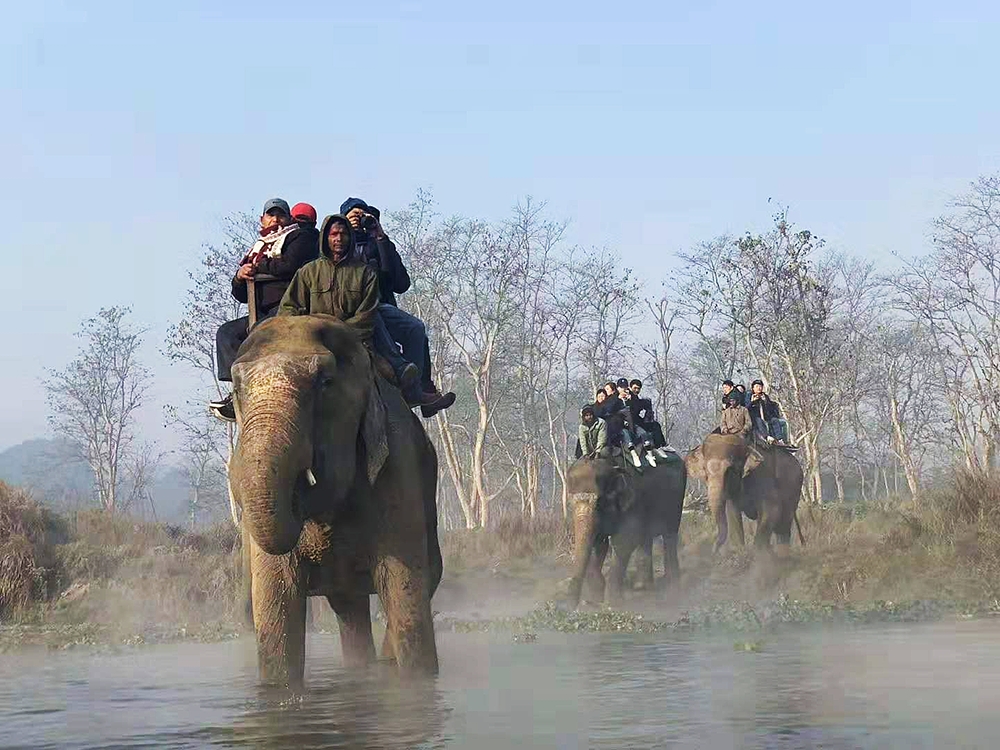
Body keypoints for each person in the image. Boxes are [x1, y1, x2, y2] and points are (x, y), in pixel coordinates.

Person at [340, 197, 454, 418]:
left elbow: (401, 284)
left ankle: (415, 389)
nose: (360, 220)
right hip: (350, 308)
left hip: (381, 306)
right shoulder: (337, 242)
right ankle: (414, 380)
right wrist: (347, 233)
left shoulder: (380, 244)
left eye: (364, 216)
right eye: (355, 215)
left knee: (416, 328)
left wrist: (380, 237)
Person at [210, 198, 320, 422]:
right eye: (271, 215)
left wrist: (258, 267)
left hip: (289, 307)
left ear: (289, 219)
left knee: (259, 333)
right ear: (262, 219)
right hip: (258, 311)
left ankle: (265, 387)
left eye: (280, 215)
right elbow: (240, 295)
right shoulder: (259, 247)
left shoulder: (298, 237)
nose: (276, 219)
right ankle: (239, 390)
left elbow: (290, 264)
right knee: (227, 333)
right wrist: (240, 276)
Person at [617, 378, 658, 466]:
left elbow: (636, 410)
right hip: (621, 426)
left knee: (644, 433)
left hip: (633, 424)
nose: (624, 390)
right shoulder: (615, 399)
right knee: (626, 435)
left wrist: (631, 401)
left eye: (638, 388)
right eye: (634, 388)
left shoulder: (634, 398)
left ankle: (650, 455)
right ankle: (634, 455)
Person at [628, 379, 674, 454]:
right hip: (631, 422)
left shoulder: (636, 398)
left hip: (637, 420)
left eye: (638, 389)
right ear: (630, 387)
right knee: (653, 426)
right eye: (635, 388)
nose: (636, 390)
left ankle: (662, 444)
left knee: (655, 425)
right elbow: (633, 408)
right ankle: (658, 446)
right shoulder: (628, 396)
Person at [747, 379, 793, 446]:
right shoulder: (749, 395)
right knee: (759, 421)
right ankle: (767, 437)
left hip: (766, 416)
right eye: (757, 386)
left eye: (760, 386)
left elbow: (770, 408)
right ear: (753, 388)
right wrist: (752, 401)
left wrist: (765, 401)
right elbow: (746, 408)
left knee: (775, 420)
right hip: (754, 417)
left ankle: (779, 439)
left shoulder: (764, 396)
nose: (759, 388)